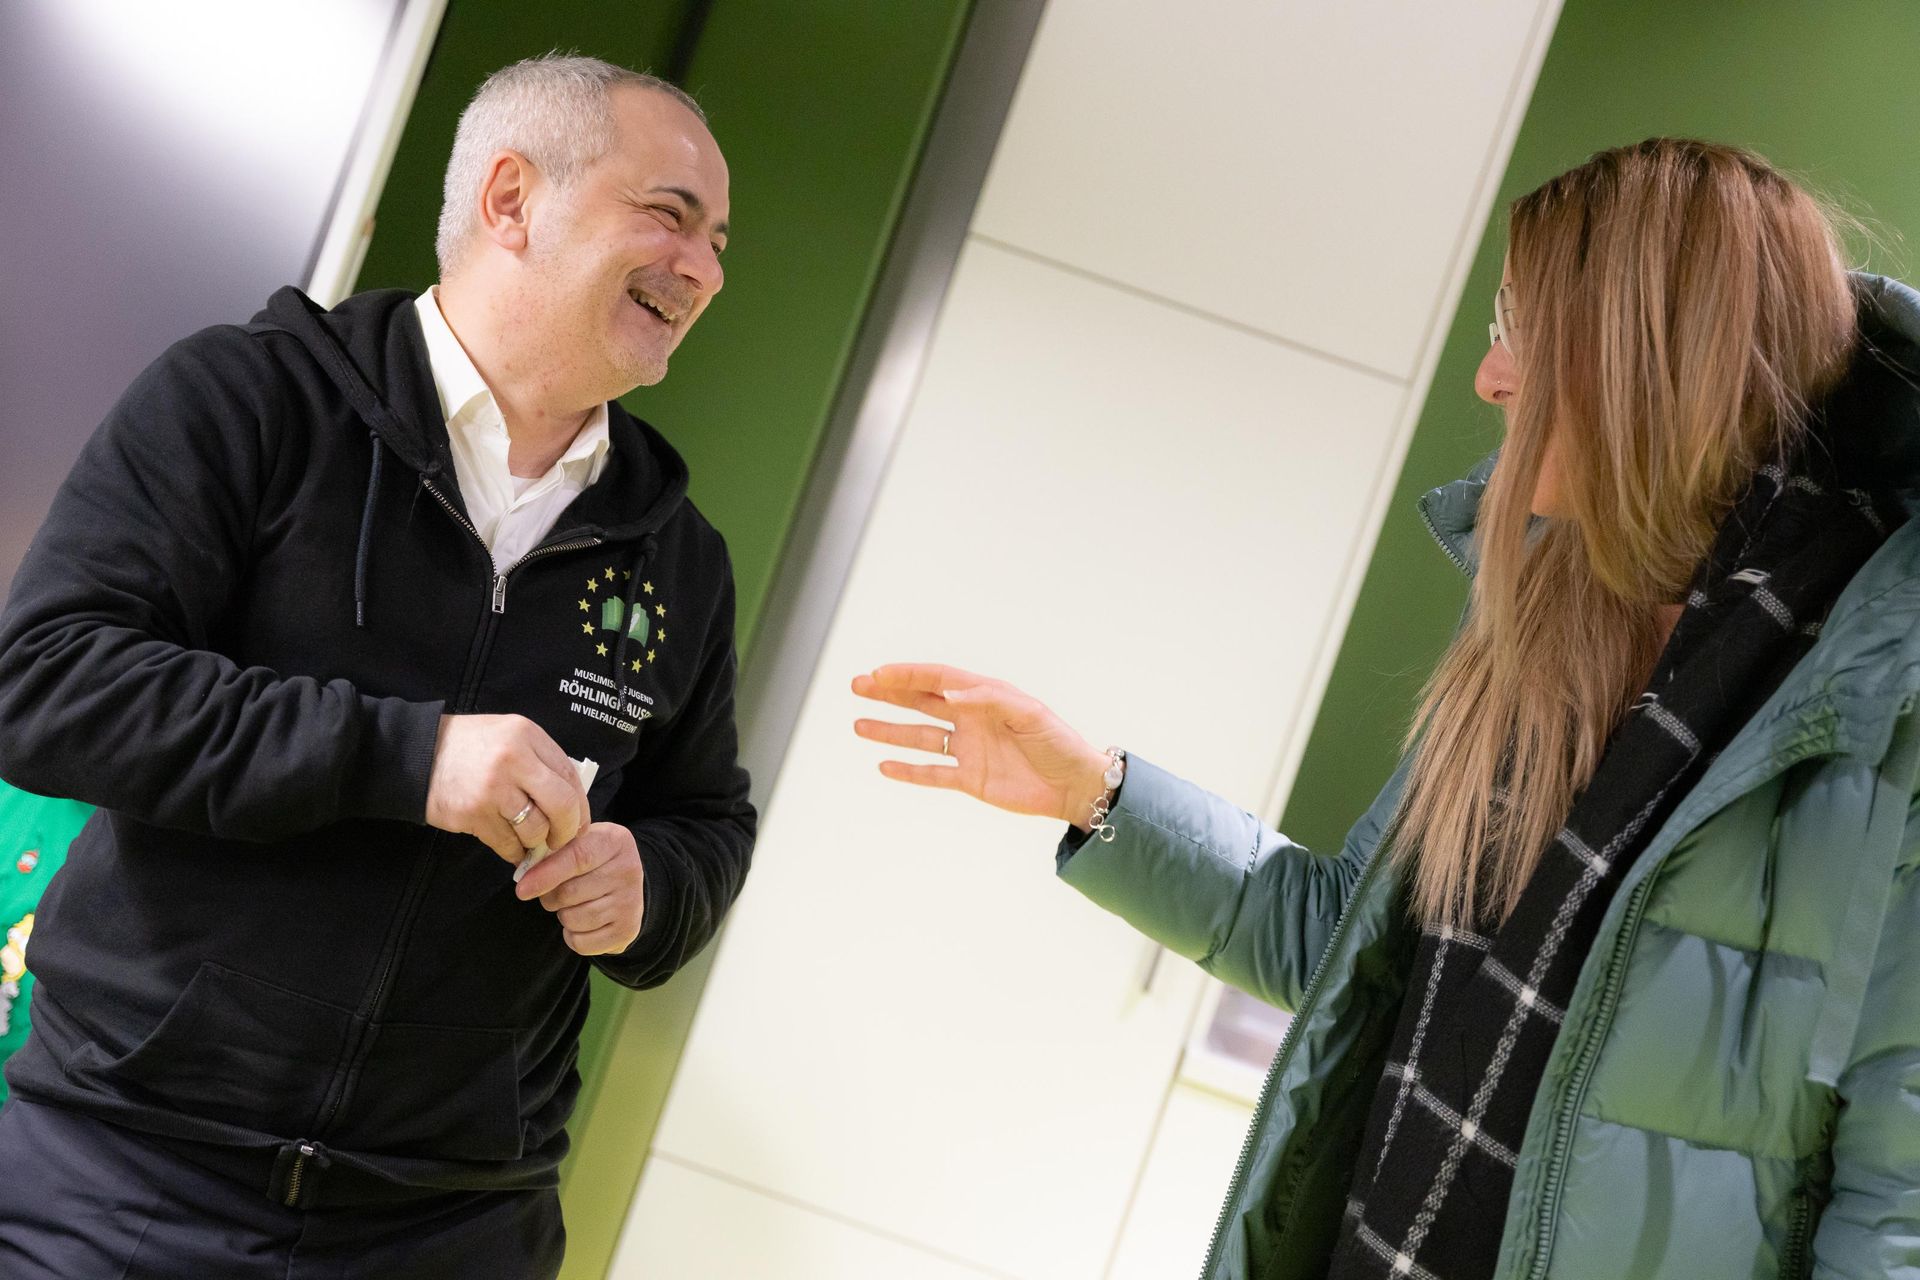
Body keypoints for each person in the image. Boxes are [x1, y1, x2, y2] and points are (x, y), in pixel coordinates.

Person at [853, 139, 1920, 1280]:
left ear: (1645, 355)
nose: (1491, 377)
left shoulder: (1881, 713)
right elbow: (1345, 946)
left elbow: (1891, 1212)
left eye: (1524, 330)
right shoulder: (1546, 609)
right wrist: (1097, 792)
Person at [0, 54, 753, 1278]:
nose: (705, 270)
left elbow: (707, 819)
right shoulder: (248, 400)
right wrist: (411, 757)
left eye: (718, 242)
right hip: (126, 1180)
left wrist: (651, 885)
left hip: (454, 1226)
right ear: (511, 199)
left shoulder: (680, 558)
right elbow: (47, 680)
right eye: (670, 215)